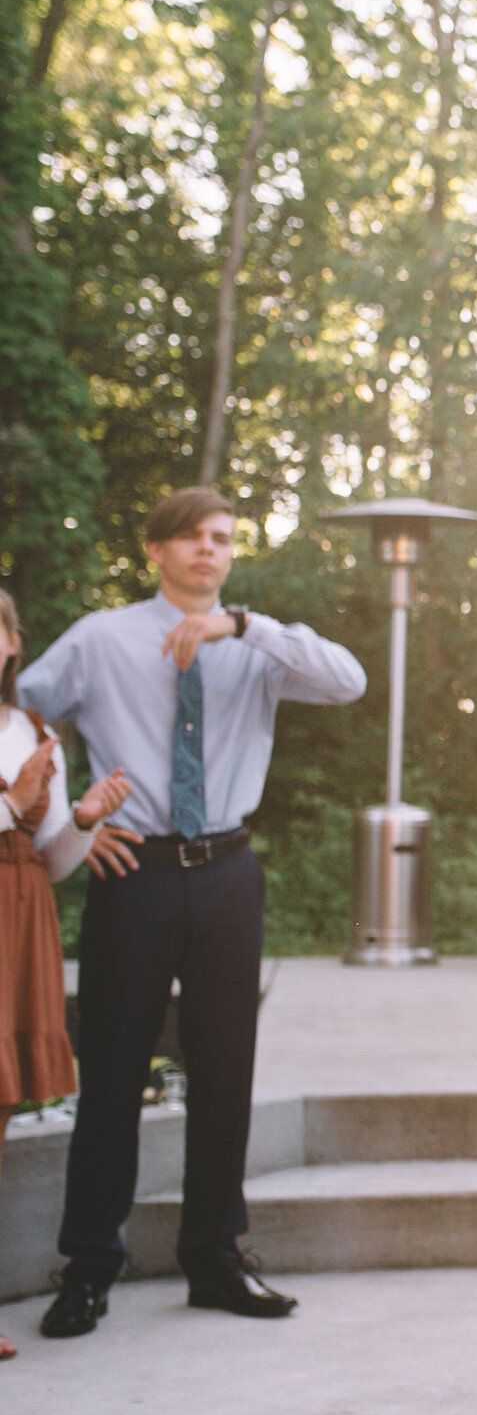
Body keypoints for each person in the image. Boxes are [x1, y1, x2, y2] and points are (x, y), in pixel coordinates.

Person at [26, 487, 366, 1342]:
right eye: (191, 538)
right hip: (133, 872)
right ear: (157, 550)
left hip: (226, 873)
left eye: (221, 539)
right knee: (111, 1073)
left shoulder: (257, 645)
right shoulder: (101, 640)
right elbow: (23, 711)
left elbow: (349, 681)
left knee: (225, 1069)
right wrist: (74, 822)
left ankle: (214, 1257)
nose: (209, 552)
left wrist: (241, 628)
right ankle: (89, 1267)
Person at [0, 592, 134, 1362]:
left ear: (14, 643)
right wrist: (9, 802)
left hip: (18, 918)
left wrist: (82, 819)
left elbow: (50, 860)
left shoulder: (31, 729)